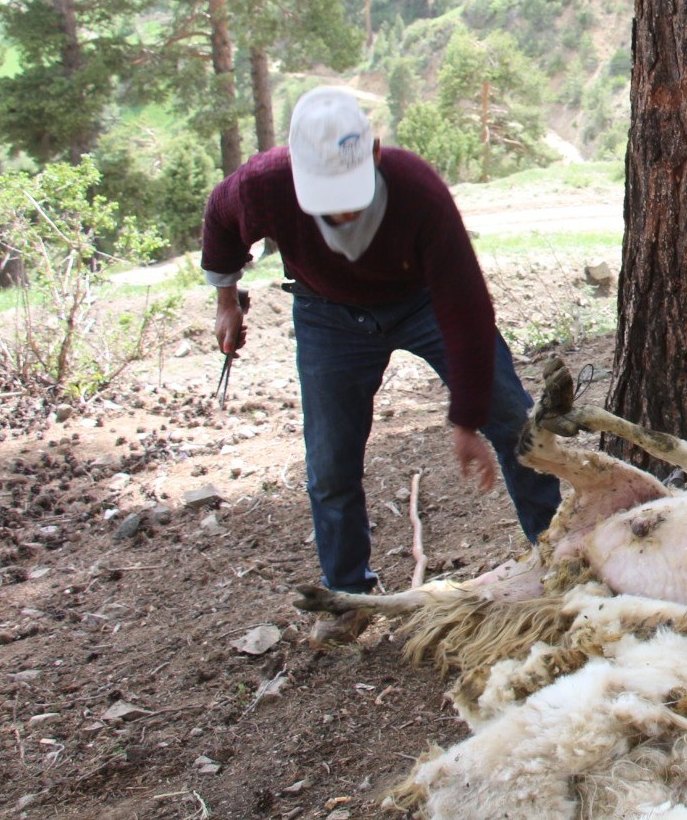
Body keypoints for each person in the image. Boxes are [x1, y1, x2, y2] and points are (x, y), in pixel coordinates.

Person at [200, 87, 561, 644]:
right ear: (298, 172)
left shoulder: (416, 189)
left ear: (372, 156)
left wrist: (466, 419)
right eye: (326, 197)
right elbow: (221, 219)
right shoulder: (264, 184)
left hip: (420, 301)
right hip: (327, 313)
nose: (342, 210)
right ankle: (348, 596)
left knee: (515, 421)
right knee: (330, 461)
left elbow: (464, 306)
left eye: (350, 192)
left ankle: (559, 557)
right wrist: (227, 300)